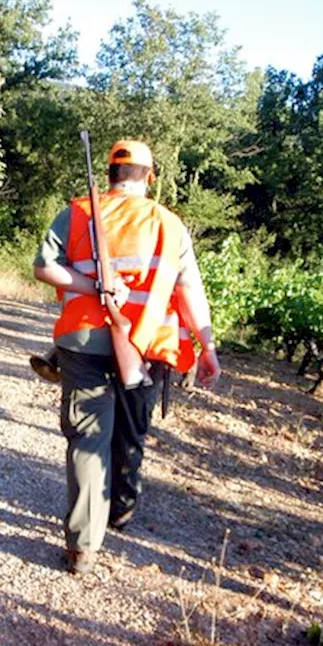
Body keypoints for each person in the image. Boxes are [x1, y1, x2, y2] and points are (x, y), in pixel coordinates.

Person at [33, 139, 220, 575]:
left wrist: (87, 284)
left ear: (111, 174)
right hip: (148, 344)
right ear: (149, 177)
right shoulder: (170, 225)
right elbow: (190, 290)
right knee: (131, 430)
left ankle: (82, 546)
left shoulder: (77, 212)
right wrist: (207, 346)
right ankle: (121, 508)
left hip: (83, 344)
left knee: (88, 438)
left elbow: (43, 267)